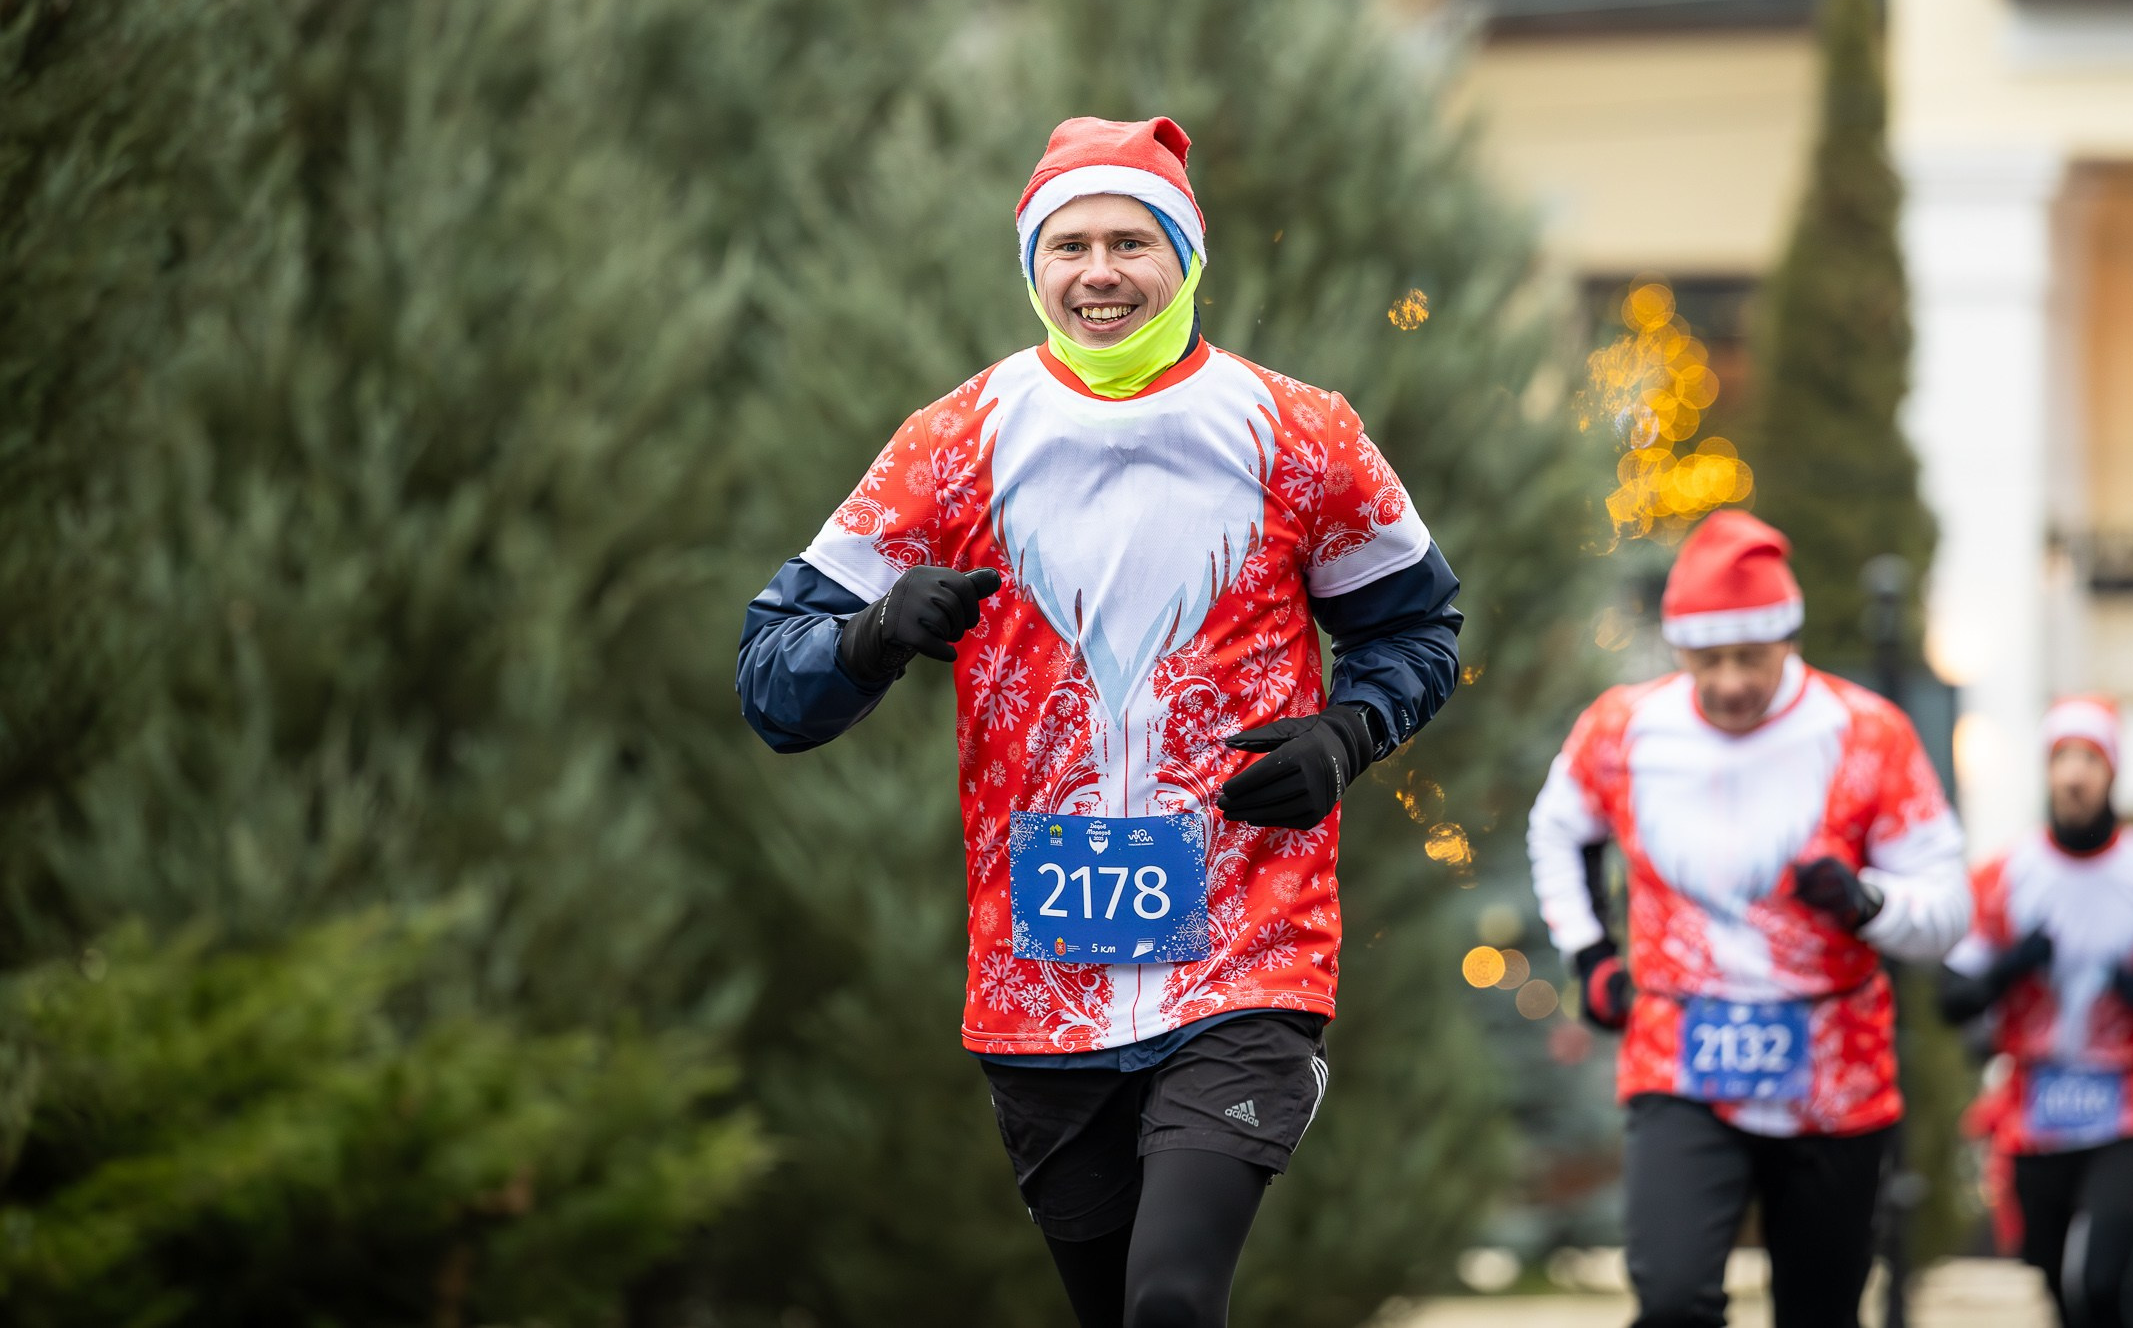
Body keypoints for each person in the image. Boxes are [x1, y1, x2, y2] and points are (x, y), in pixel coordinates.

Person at [734, 116, 1463, 1328]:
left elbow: (1417, 631)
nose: (1100, 272)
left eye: (1133, 240)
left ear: (1185, 257)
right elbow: (771, 685)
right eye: (1069, 245)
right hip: (1042, 979)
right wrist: (870, 636)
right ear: (1034, 267)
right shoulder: (953, 443)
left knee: (1172, 1302)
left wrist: (1345, 735)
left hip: (1245, 945)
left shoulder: (1300, 433)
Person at [1525, 511, 1971, 1328]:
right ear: (1679, 648)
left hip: (1834, 1072)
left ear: (1788, 640)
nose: (1729, 681)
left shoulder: (1868, 733)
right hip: (1680, 1059)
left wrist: (1871, 901)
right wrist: (1588, 951)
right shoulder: (1625, 728)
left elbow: (1947, 908)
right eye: (1707, 660)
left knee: (1819, 1313)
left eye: (1750, 659)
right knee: (1670, 1302)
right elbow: (1557, 825)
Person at [1940, 696, 2133, 1328]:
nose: (2074, 775)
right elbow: (1951, 998)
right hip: (2035, 1112)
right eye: (2062, 758)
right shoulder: (2005, 875)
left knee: (2103, 1281)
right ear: (2046, 771)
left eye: (2090, 759)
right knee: (2057, 1289)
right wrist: (2012, 964)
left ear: (2111, 771)